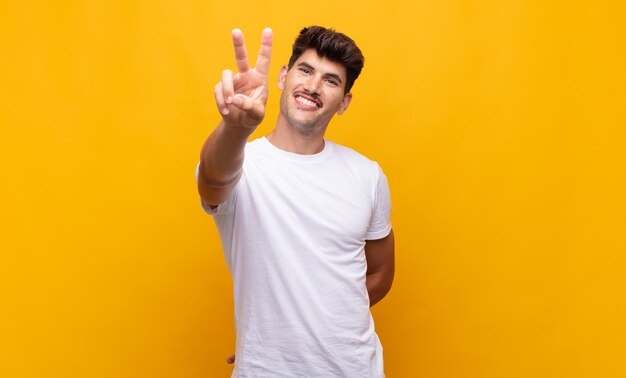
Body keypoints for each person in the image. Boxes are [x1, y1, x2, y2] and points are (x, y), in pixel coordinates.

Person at [196, 25, 395, 377]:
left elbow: (379, 272)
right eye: (305, 70)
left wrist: (302, 335)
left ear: (344, 102)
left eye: (331, 81)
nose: (313, 87)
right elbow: (213, 180)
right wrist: (236, 128)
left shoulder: (367, 175)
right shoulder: (242, 164)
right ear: (284, 77)